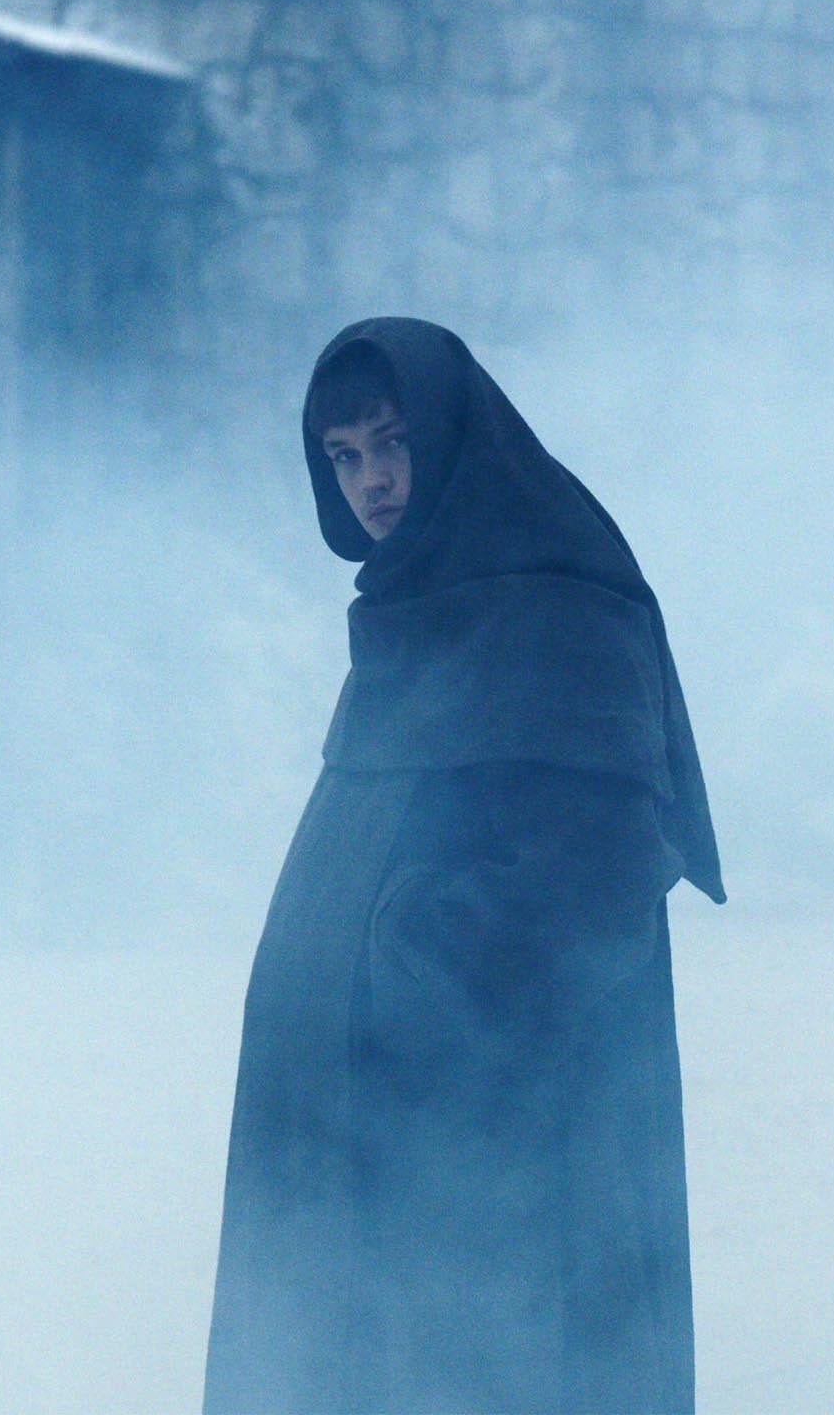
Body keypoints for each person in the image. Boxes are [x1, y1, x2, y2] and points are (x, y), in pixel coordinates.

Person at [203, 317, 722, 1414]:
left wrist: (405, 958)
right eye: (344, 455)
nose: (372, 481)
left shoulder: (561, 606)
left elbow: (595, 886)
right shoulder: (404, 612)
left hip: (502, 1168)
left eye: (393, 442)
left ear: (452, 435)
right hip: (361, 1144)